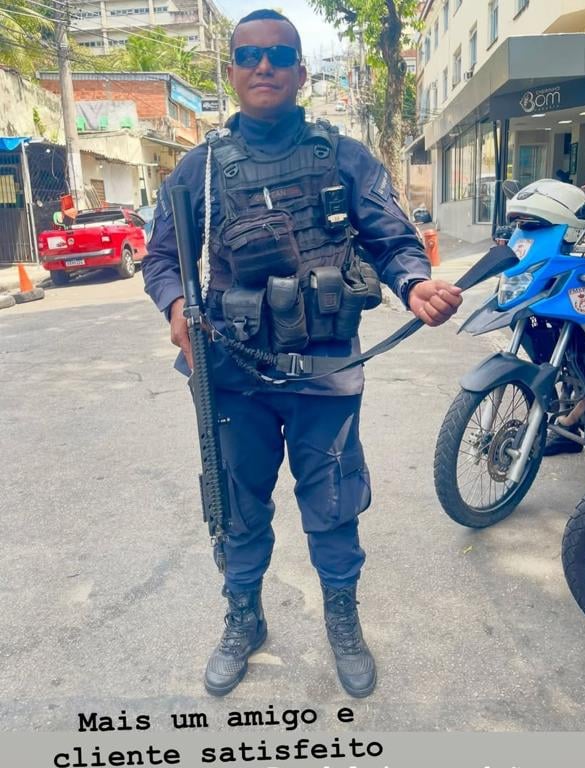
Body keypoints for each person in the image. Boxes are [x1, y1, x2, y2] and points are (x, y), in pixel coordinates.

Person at [142, 8, 462, 699]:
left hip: (325, 370)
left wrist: (413, 284)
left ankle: (342, 617)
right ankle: (244, 616)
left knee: (334, 502)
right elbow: (162, 259)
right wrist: (174, 308)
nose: (264, 66)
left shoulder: (343, 157)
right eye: (249, 55)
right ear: (231, 70)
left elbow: (391, 239)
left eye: (279, 55)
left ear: (301, 70)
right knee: (237, 505)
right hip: (233, 374)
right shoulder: (198, 169)